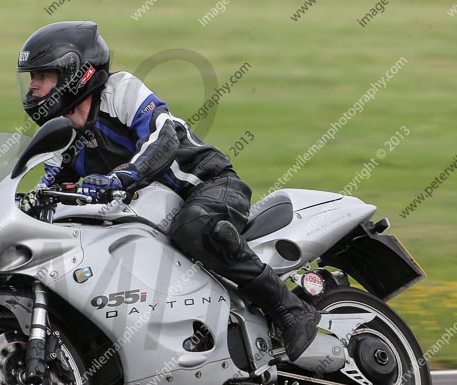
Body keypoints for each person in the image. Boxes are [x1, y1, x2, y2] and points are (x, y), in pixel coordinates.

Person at [17, 21, 319, 361]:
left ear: (77, 73)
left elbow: (163, 137)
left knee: (194, 226)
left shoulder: (121, 91)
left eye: (42, 75)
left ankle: (290, 309)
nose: (33, 86)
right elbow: (48, 187)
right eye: (30, 77)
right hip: (144, 211)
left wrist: (123, 177)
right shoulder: (60, 135)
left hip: (209, 186)